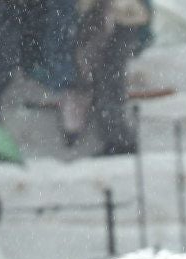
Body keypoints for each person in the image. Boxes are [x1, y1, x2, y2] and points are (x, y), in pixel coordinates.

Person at [64, 0, 151, 155]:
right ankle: (117, 140)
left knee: (109, 82)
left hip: (118, 18)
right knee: (108, 81)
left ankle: (119, 141)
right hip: (118, 16)